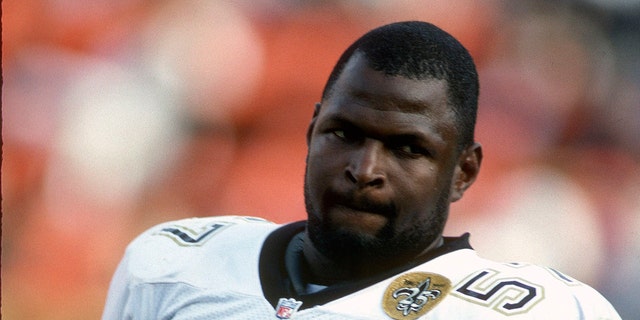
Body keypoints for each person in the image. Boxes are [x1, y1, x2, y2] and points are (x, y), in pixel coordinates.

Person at [102, 21, 620, 319]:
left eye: (408, 148)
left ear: (463, 172)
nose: (365, 169)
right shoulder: (172, 266)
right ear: (310, 133)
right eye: (344, 134)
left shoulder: (544, 311)